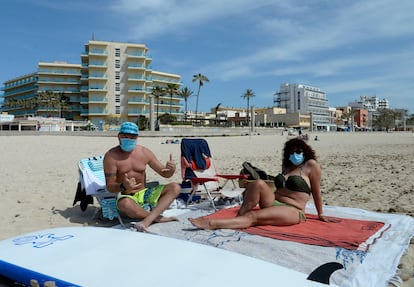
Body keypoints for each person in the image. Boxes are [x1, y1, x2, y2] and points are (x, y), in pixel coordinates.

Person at [189, 137, 336, 230]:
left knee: (254, 217)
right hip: (273, 201)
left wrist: (321, 213)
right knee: (257, 183)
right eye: (291, 152)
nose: (294, 155)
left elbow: (316, 192)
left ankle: (212, 224)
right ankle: (239, 217)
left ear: (305, 152)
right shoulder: (287, 166)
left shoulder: (311, 165)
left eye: (298, 151)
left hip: (293, 209)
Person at [104, 122, 181, 232]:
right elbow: (110, 187)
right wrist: (123, 186)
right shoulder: (111, 156)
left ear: (137, 137)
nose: (129, 139)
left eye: (132, 137)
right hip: (126, 195)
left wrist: (171, 169)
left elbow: (165, 174)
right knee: (125, 204)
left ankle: (147, 220)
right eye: (125, 136)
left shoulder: (144, 152)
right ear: (119, 136)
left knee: (175, 187)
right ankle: (157, 218)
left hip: (144, 193)